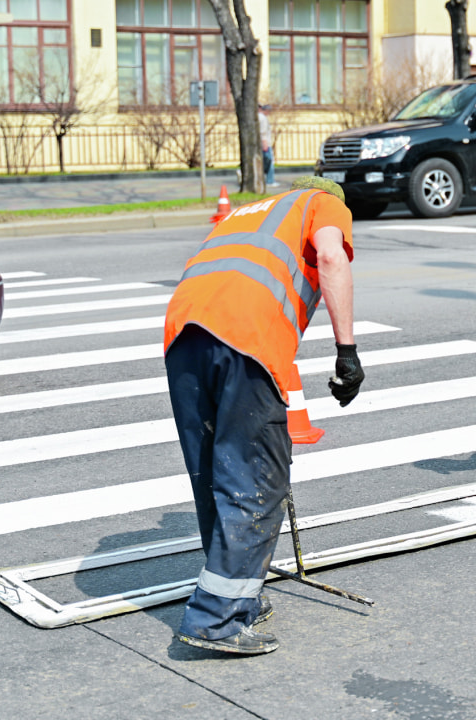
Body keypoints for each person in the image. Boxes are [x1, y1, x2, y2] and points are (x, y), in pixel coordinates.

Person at [163, 176, 364, 654]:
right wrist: (348, 351)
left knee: (214, 472)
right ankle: (214, 619)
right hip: (245, 337)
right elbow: (332, 258)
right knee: (257, 478)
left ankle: (238, 598)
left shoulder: (246, 214)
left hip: (183, 336)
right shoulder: (324, 203)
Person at [257, 104, 276, 187]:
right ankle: (270, 180)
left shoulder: (258, 117)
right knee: (269, 162)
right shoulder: (263, 118)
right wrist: (265, 144)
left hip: (261, 143)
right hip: (265, 143)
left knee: (263, 162)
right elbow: (263, 132)